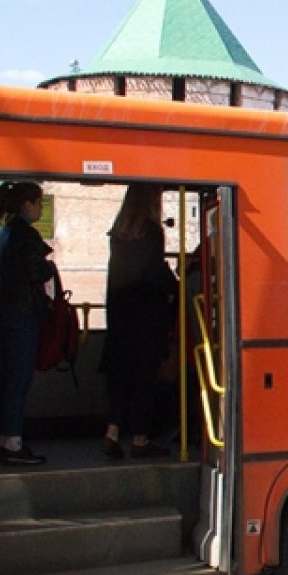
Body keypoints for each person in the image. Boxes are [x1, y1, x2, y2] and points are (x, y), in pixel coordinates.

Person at [99, 184, 178, 459]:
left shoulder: (118, 234)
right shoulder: (151, 232)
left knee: (120, 380)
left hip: (120, 317)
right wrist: (175, 287)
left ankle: (112, 433)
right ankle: (141, 439)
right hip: (146, 319)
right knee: (145, 380)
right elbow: (154, 272)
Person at [0, 181, 53, 466]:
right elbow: (36, 271)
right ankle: (13, 441)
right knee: (19, 376)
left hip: (1, 309)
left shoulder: (6, 232)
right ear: (27, 204)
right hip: (20, 312)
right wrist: (48, 266)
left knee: (6, 375)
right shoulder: (25, 235)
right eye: (38, 203)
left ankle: (3, 438)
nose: (40, 208)